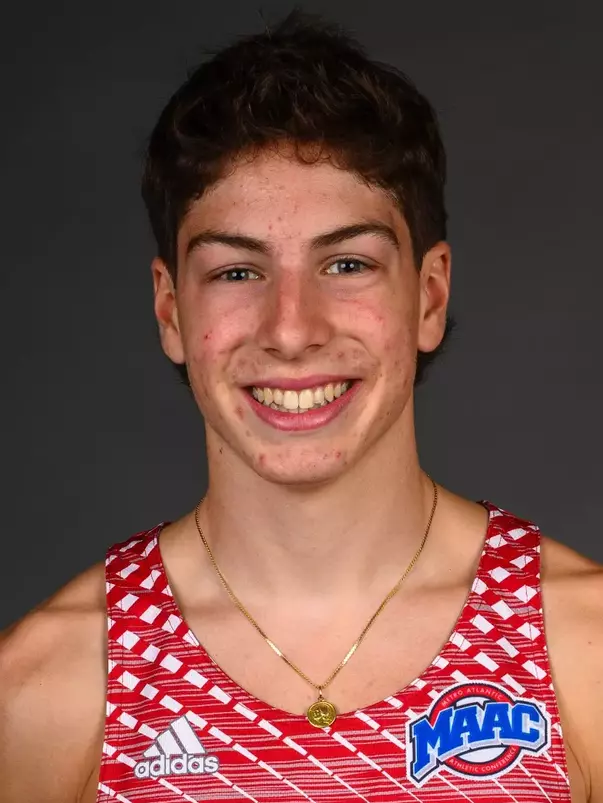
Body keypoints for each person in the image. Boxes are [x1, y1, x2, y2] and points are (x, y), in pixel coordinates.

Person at [0, 9, 601, 803]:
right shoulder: (47, 688)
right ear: (172, 311)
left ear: (428, 296)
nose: (290, 329)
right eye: (237, 273)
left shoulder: (581, 654)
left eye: (346, 262)